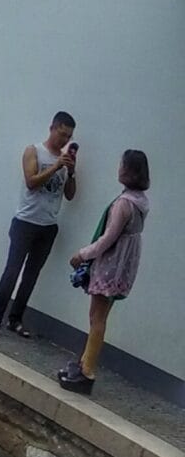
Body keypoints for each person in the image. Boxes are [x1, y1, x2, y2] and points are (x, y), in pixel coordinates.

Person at [58, 149, 151, 396]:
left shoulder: (124, 204)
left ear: (128, 170)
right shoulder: (141, 201)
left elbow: (108, 238)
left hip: (111, 265)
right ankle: (84, 363)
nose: (118, 167)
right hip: (124, 266)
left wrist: (83, 253)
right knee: (98, 316)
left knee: (97, 318)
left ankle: (87, 370)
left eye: (122, 165)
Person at [0, 111, 78, 339]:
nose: (64, 140)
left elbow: (70, 195)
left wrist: (72, 172)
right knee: (12, 271)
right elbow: (31, 183)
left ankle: (15, 319)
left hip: (48, 226)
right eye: (62, 134)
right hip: (25, 222)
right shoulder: (34, 151)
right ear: (52, 128)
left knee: (31, 275)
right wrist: (56, 166)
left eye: (68, 137)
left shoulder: (64, 162)